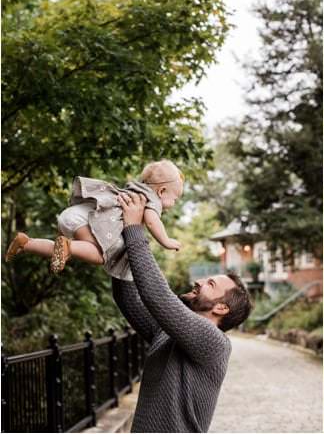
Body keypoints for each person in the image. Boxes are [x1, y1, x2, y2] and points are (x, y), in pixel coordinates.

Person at [110, 191, 252, 432]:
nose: (199, 282)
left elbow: (159, 298)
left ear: (221, 307)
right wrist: (123, 244)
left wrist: (135, 229)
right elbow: (127, 298)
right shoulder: (168, 334)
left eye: (210, 284)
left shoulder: (214, 341)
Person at [5, 160, 185, 275]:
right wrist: (167, 241)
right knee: (100, 255)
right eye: (175, 199)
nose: (174, 203)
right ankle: (67, 245)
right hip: (88, 221)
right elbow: (153, 222)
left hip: (76, 214)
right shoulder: (150, 200)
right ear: (161, 191)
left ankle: (26, 243)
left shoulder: (133, 189)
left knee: (65, 251)